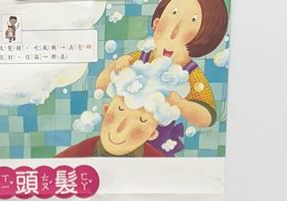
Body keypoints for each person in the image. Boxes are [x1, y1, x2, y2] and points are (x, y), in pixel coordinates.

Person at [96, 0, 229, 155]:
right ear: (156, 23)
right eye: (174, 13)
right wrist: (116, 67)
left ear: (204, 41)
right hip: (120, 124)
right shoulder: (140, 58)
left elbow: (207, 118)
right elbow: (101, 84)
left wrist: (180, 103)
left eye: (193, 20)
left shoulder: (191, 75)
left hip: (159, 140)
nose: (174, 33)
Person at [59, 57, 189, 158]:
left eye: (142, 120)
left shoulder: (158, 164)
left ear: (152, 134)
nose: (120, 128)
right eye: (120, 109)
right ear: (106, 110)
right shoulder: (75, 155)